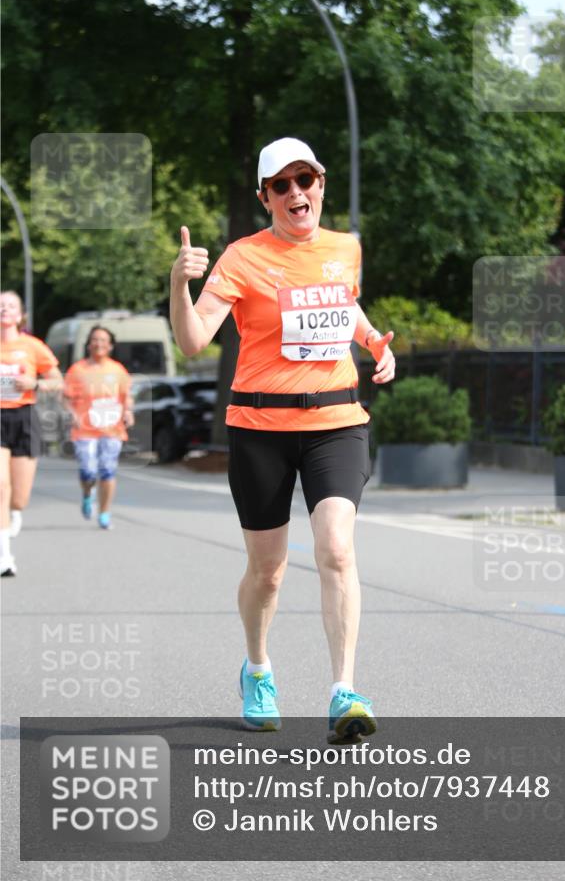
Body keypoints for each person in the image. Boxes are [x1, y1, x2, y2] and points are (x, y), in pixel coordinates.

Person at [170, 137, 395, 742]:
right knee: (268, 572)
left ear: (321, 183)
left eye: (307, 180)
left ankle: (344, 692)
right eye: (283, 185)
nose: (298, 193)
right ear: (266, 197)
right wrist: (178, 286)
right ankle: (258, 666)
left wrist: (375, 340)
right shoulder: (242, 257)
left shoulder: (346, 247)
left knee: (338, 551)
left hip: (336, 422)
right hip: (261, 429)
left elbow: (342, 305)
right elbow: (193, 341)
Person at [0, 291, 63, 577]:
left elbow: (57, 381)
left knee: (18, 498)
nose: (4, 308)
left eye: (10, 305)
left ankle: (14, 513)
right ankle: (4, 556)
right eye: (0, 305)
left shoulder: (33, 346)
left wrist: (34, 382)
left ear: (20, 313)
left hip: (24, 416)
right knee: (0, 487)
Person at [63, 326, 134, 530]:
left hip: (112, 429)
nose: (99, 344)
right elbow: (65, 398)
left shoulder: (117, 370)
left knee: (107, 471)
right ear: (88, 344)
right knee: (87, 471)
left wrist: (128, 411)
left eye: (103, 340)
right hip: (84, 429)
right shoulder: (77, 370)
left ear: (110, 345)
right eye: (95, 339)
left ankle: (104, 512)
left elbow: (127, 396)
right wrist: (72, 413)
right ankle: (87, 494)